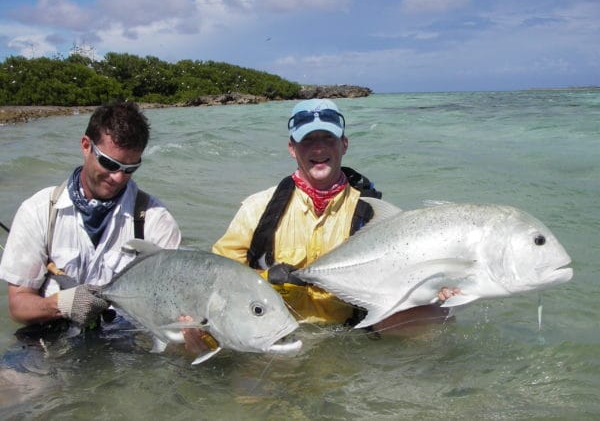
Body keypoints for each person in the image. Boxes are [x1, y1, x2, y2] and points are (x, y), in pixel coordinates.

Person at [212, 98, 458, 333]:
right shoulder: (259, 207)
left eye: (328, 138)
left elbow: (407, 271)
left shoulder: (373, 212)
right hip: (274, 329)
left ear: (344, 144)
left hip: (351, 329)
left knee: (441, 317)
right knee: (194, 336)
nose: (318, 148)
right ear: (292, 148)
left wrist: (438, 285)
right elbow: (217, 274)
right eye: (307, 140)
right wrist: (266, 279)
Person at [0, 101, 181, 333]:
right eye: (109, 163)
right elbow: (18, 306)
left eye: (130, 169)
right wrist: (61, 304)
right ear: (86, 146)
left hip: (123, 340)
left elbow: (173, 302)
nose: (117, 177)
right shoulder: (37, 211)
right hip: (51, 336)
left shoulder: (157, 221)